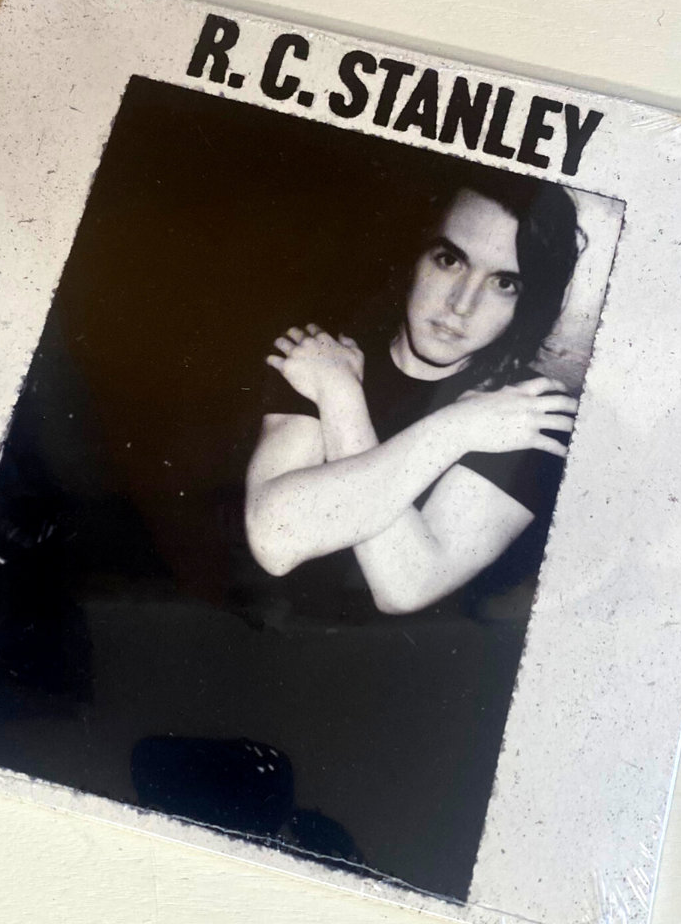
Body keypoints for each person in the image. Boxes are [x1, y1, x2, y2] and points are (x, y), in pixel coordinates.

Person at [244, 163, 582, 617]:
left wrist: (342, 398)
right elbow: (275, 540)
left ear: (529, 302)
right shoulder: (325, 355)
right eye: (449, 260)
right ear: (413, 255)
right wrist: (452, 428)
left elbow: (406, 584)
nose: (461, 305)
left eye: (504, 283)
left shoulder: (530, 412)